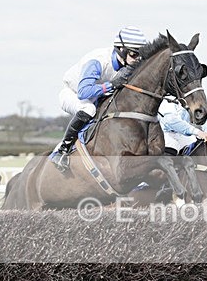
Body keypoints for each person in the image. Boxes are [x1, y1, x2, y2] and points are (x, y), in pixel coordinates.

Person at [50, 25, 148, 172]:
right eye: (134, 54)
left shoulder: (125, 64)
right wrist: (111, 85)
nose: (137, 59)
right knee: (88, 109)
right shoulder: (98, 61)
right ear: (121, 50)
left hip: (96, 96)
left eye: (140, 55)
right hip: (73, 94)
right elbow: (83, 92)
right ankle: (62, 150)